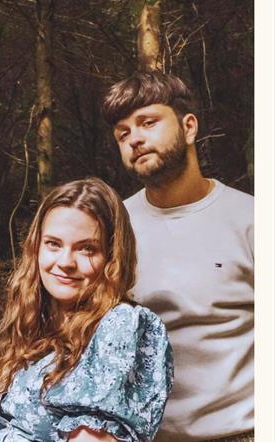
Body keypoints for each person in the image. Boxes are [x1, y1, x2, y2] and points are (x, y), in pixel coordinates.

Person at [102, 72, 254, 442]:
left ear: (189, 127)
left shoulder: (252, 220)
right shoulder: (111, 229)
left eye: (148, 123)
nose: (134, 138)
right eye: (123, 133)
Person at [0, 178, 173, 442]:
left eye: (87, 249)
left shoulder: (120, 326)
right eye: (54, 244)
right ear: (36, 247)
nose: (66, 262)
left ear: (112, 257)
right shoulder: (36, 321)